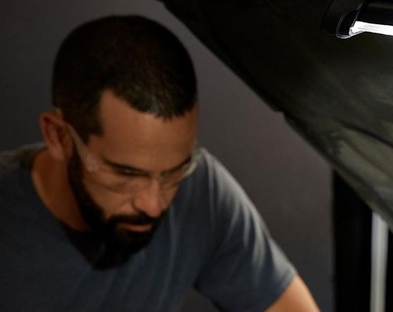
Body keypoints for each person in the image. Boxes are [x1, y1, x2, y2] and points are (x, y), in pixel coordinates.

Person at [0, 16, 320, 311]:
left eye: (174, 172)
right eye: (126, 174)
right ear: (58, 137)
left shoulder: (198, 189)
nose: (154, 205)